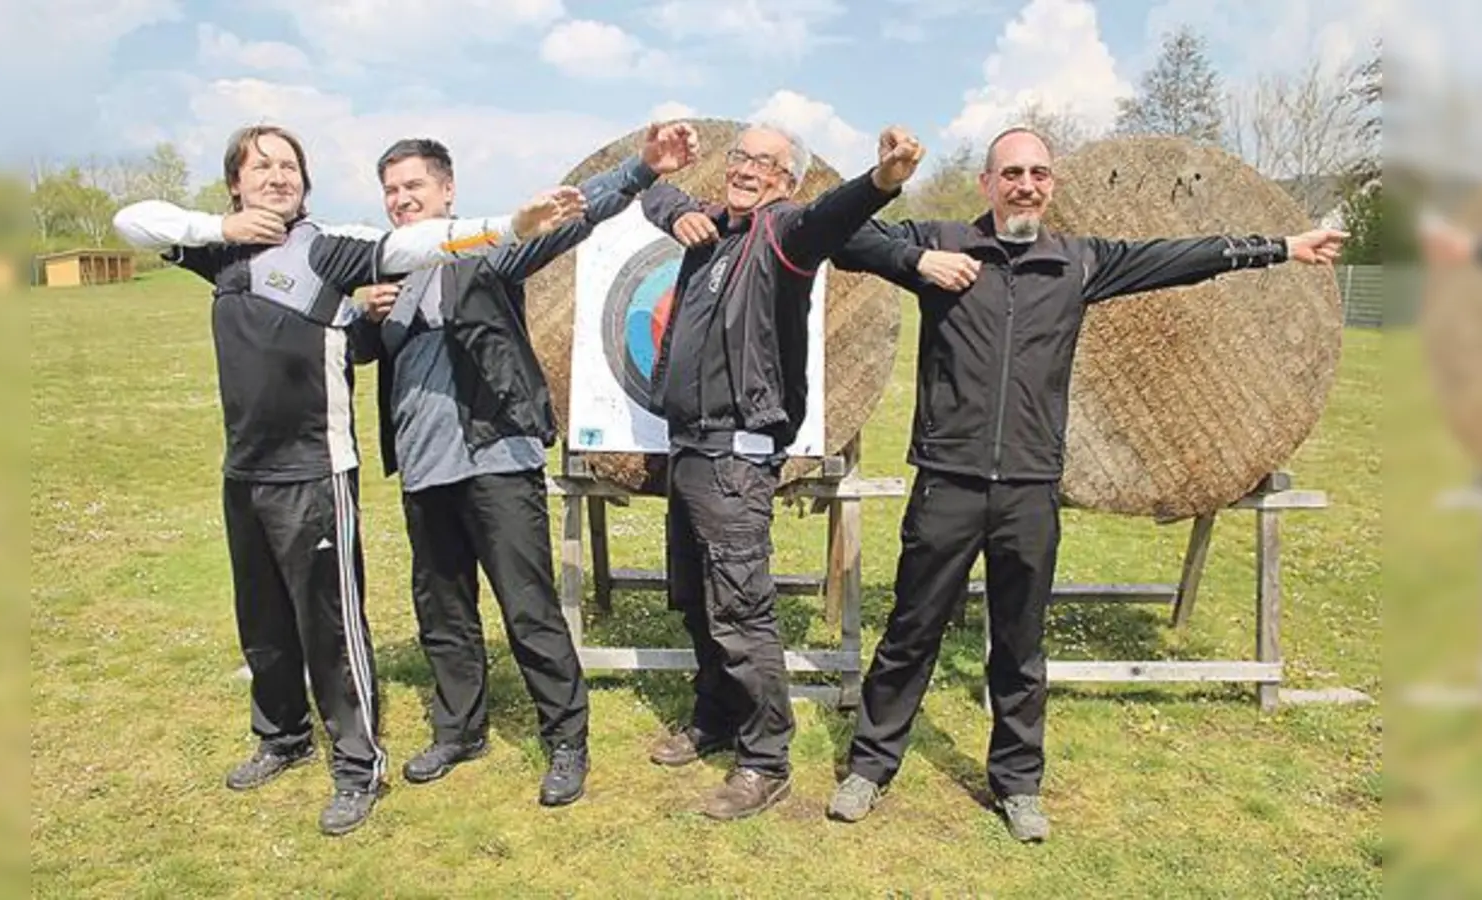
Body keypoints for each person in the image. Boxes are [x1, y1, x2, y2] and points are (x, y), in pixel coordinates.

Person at [824, 126, 1347, 842]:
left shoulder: (1077, 262)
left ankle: (1017, 784)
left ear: (1053, 185)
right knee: (911, 631)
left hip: (1030, 489)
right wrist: (917, 255)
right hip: (947, 480)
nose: (1026, 185)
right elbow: (837, 235)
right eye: (1011, 173)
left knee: (1019, 642)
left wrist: (1282, 247)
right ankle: (870, 767)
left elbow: (1182, 259)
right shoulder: (942, 243)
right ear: (987, 183)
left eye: (1039, 173)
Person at [112, 123, 585, 837]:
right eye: (260, 166)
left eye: (289, 166)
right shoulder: (221, 252)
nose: (277, 177)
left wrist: (505, 225)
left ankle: (362, 766)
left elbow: (417, 245)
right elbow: (130, 222)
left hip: (321, 468)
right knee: (266, 626)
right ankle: (283, 737)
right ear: (235, 182)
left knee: (341, 626)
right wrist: (221, 226)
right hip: (246, 469)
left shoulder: (328, 248)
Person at [356, 122, 700, 807]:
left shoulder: (483, 250)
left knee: (528, 609)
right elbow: (366, 351)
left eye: (413, 186)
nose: (401, 200)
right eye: (391, 190)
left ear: (447, 190)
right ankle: (460, 730)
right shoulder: (386, 266)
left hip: (495, 459)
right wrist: (364, 313)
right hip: (425, 471)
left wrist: (639, 170)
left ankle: (567, 740)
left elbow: (563, 220)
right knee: (444, 612)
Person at [637, 121, 926, 820]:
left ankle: (766, 761)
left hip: (737, 455)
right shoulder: (708, 228)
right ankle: (715, 718)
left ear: (786, 183)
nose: (747, 169)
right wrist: (669, 199)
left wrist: (883, 179)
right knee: (698, 599)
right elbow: (653, 196)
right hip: (691, 449)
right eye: (740, 156)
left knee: (740, 613)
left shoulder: (784, 234)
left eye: (766, 164)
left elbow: (835, 216)